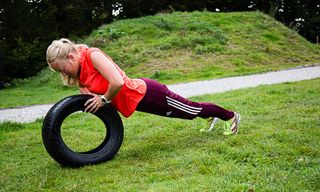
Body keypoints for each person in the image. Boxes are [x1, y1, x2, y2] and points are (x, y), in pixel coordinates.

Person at [46, 38, 241, 135]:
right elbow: (87, 95)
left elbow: (118, 82)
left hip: (149, 94)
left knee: (192, 110)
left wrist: (103, 99)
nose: (64, 74)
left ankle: (231, 116)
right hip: (139, 102)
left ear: (71, 56)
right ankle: (210, 117)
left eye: (63, 69)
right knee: (189, 112)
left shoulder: (92, 55)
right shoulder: (79, 70)